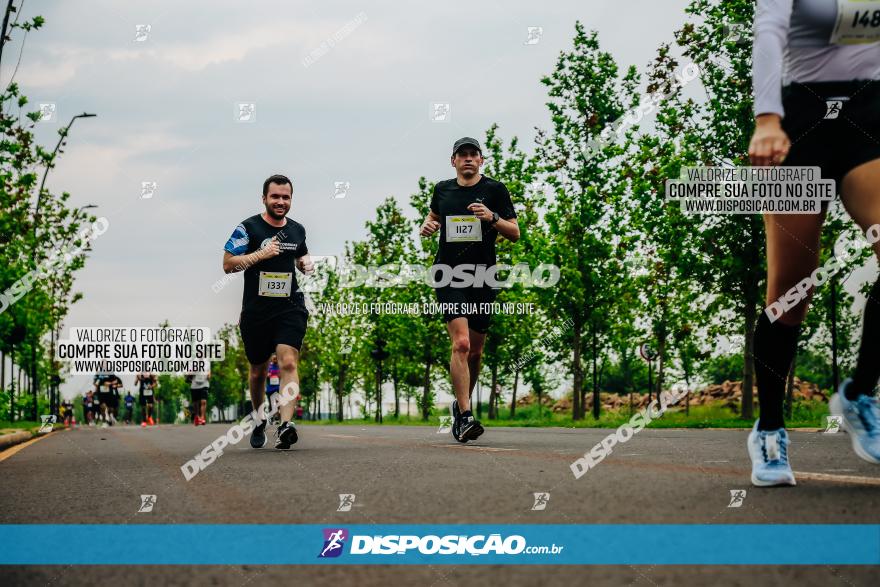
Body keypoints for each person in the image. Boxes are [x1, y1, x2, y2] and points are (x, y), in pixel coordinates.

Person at [748, 0, 880, 486]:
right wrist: (767, 117)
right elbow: (769, 30)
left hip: (870, 113)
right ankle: (769, 429)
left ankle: (860, 394)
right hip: (798, 120)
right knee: (791, 294)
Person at [419, 137, 519, 443]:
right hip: (448, 274)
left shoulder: (495, 190)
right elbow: (435, 216)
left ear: (481, 160)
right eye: (462, 155)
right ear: (453, 161)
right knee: (461, 344)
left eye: (473, 154)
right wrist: (428, 226)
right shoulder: (442, 189)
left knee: (475, 352)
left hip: (484, 277)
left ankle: (459, 405)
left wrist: (492, 217)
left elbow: (514, 232)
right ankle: (464, 415)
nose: (467, 159)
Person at [222, 174, 314, 449]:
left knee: (288, 362)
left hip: (290, 307)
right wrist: (259, 255)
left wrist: (304, 264)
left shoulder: (297, 230)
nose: (281, 202)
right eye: (275, 196)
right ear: (264, 198)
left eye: (286, 197)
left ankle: (286, 425)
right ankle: (260, 418)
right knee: (258, 371)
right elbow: (227, 264)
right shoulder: (248, 228)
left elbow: (300, 254)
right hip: (256, 312)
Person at [265, 355, 281, 425]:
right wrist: (268, 375)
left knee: (278, 403)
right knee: (271, 404)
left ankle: (277, 417)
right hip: (270, 388)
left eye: (276, 359)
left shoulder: (280, 367)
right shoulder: (269, 367)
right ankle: (271, 418)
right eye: (274, 359)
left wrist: (279, 375)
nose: (275, 360)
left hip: (277, 388)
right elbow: (265, 375)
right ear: (271, 359)